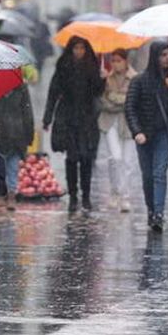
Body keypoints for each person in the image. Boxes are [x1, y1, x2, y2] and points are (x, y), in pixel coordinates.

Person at [43, 36, 104, 212]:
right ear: (71, 50)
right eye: (76, 48)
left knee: (86, 158)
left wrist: (103, 79)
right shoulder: (63, 67)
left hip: (87, 120)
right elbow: (53, 93)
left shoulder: (92, 67)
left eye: (82, 48)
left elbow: (97, 92)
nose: (79, 52)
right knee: (71, 158)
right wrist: (48, 117)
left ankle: (86, 195)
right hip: (68, 119)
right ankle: (73, 196)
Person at [125, 42, 168, 232]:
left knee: (159, 173)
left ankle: (158, 213)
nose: (166, 59)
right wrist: (137, 132)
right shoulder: (139, 81)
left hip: (164, 135)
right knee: (148, 176)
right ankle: (151, 209)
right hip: (145, 135)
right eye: (163, 55)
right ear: (154, 56)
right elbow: (130, 108)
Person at [98, 48, 138, 212]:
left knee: (128, 161)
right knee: (115, 158)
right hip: (110, 122)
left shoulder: (135, 78)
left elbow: (133, 100)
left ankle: (125, 196)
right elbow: (103, 101)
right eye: (113, 60)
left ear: (126, 61)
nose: (115, 64)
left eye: (118, 60)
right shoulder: (106, 78)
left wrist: (116, 99)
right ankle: (115, 191)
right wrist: (120, 100)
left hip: (129, 124)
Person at [0, 83, 35, 211]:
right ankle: (2, 194)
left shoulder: (21, 89)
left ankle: (10, 195)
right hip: (0, 134)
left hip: (16, 135)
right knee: (1, 165)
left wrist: (29, 135)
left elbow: (27, 113)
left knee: (12, 167)